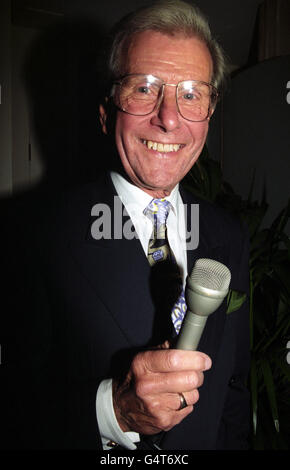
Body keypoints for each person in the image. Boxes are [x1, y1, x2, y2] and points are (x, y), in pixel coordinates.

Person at [1, 0, 250, 451]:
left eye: (192, 94)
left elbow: (234, 386)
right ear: (106, 111)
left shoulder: (228, 234)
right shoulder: (29, 234)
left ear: (209, 117)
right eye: (144, 88)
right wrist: (112, 411)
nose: (169, 117)